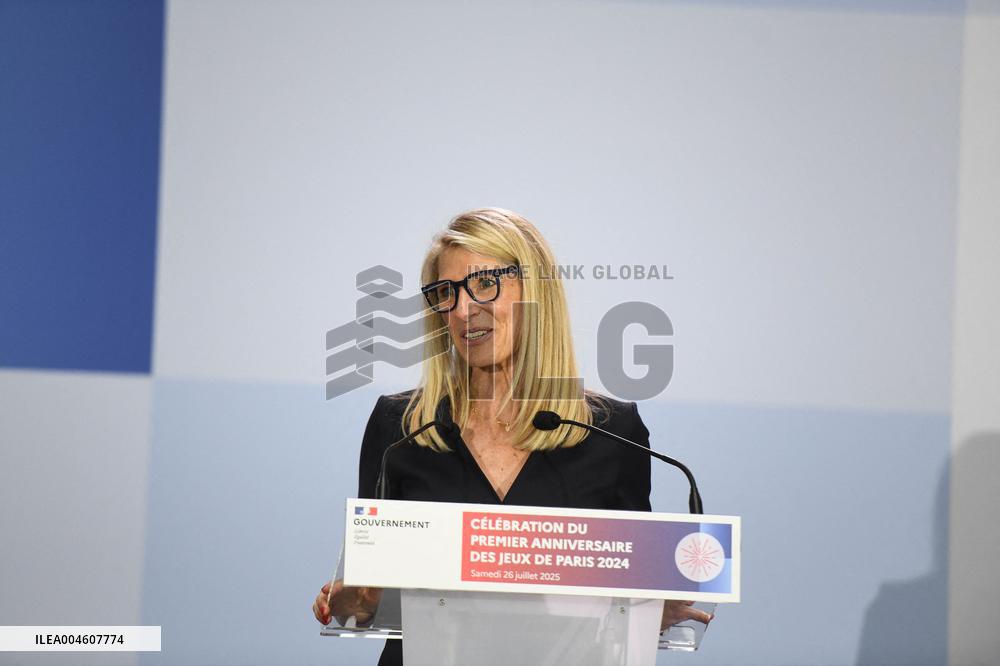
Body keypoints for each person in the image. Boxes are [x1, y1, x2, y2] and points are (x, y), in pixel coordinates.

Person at [312, 208, 710, 665]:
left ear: (536, 291)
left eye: (485, 283)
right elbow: (368, 594)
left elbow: (629, 588)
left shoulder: (612, 432)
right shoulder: (401, 427)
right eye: (446, 293)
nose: (462, 310)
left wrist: (650, 607)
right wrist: (356, 603)